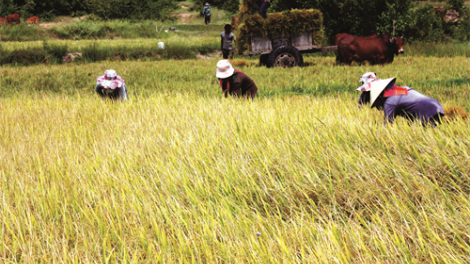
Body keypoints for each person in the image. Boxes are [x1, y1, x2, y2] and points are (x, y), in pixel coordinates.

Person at [357, 72, 444, 126]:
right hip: (437, 106)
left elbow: (388, 125)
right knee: (430, 129)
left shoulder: (390, 102)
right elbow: (412, 109)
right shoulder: (402, 89)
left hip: (425, 112)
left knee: (415, 134)